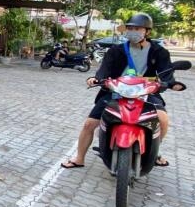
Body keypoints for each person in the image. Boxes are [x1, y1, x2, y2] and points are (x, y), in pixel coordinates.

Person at [62, 13, 183, 169]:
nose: (132, 31)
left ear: (147, 31)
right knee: (89, 124)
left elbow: (166, 73)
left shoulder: (159, 52)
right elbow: (104, 69)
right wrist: (97, 78)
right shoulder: (116, 50)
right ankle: (79, 158)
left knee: (163, 119)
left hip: (146, 92)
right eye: (130, 28)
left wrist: (170, 83)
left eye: (137, 28)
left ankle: (154, 151)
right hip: (116, 91)